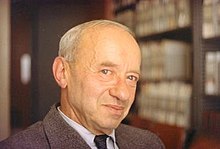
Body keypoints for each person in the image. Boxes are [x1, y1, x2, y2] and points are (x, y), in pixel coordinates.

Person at [0, 20, 164, 149]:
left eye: (131, 77)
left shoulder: (149, 144)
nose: (123, 94)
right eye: (106, 72)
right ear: (62, 72)